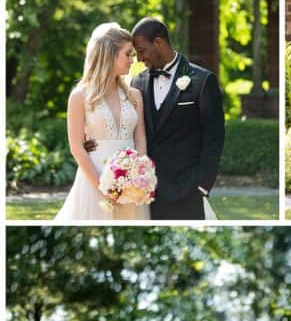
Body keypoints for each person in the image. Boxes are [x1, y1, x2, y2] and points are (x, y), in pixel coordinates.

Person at [131, 17, 224, 220]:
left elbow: (214, 137)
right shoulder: (137, 83)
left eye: (141, 50)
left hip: (187, 191)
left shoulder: (202, 81)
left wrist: (202, 185)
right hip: (147, 192)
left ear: (158, 42)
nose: (138, 58)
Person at [56, 23, 150, 222]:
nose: (133, 60)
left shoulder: (135, 96)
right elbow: (76, 146)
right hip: (94, 177)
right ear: (110, 55)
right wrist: (101, 185)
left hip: (130, 181)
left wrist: (139, 175)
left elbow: (140, 137)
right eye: (128, 54)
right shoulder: (80, 96)